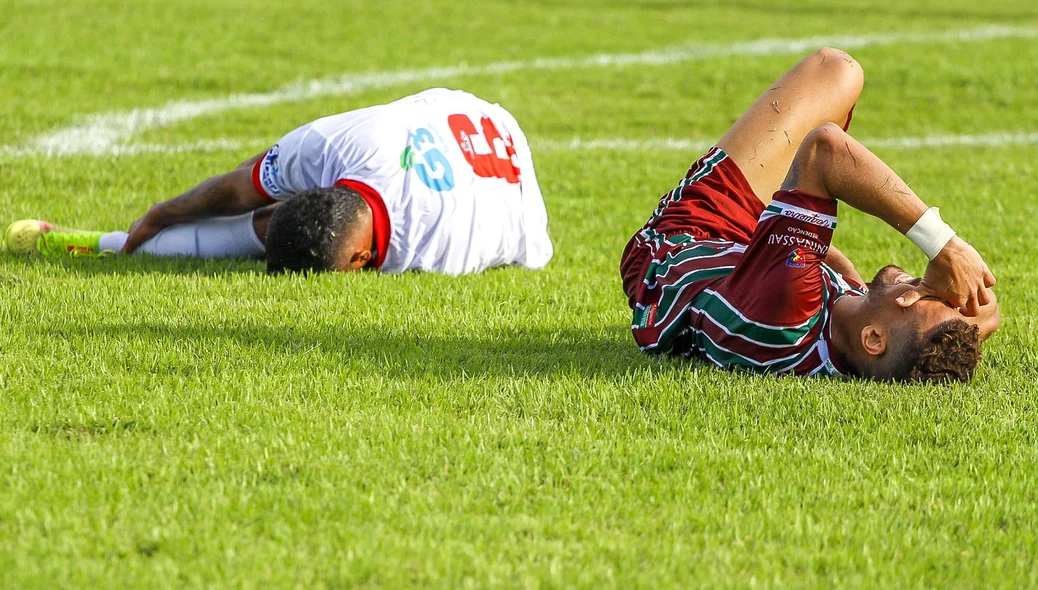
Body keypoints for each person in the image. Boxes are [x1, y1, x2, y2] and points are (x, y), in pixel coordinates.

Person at [620, 47, 1000, 382]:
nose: (920, 287)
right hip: (748, 268)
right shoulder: (851, 339)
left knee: (835, 70)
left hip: (690, 238)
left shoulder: (787, 312)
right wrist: (952, 308)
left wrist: (944, 246)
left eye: (918, 301)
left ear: (874, 339)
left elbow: (825, 150)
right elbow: (986, 316)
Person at [3, 88, 553, 275]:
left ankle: (96, 243)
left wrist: (155, 222)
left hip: (493, 140)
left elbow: (246, 196)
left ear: (362, 260)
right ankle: (113, 243)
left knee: (258, 228)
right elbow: (243, 183)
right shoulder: (339, 145)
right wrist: (164, 212)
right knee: (266, 209)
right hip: (488, 125)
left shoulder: (428, 252)